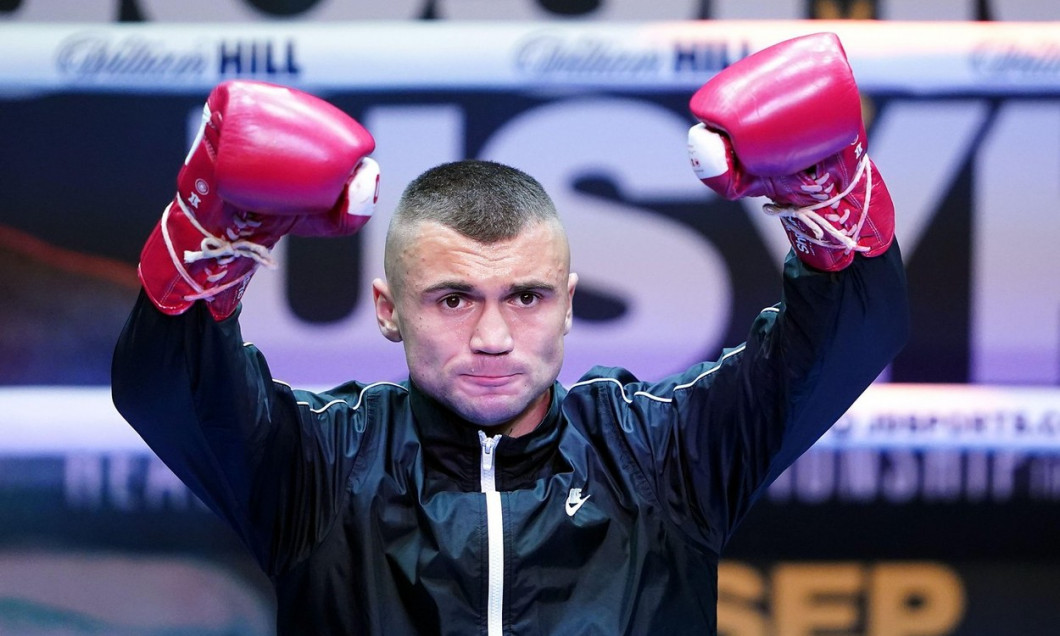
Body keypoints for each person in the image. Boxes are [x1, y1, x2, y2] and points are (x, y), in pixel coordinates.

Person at [112, 32, 908, 635]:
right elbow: (163, 385)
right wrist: (214, 239)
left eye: (524, 297)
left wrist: (830, 199)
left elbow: (851, 335)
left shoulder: (664, 451)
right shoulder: (321, 464)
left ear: (568, 304)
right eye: (453, 300)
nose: (493, 336)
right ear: (389, 309)